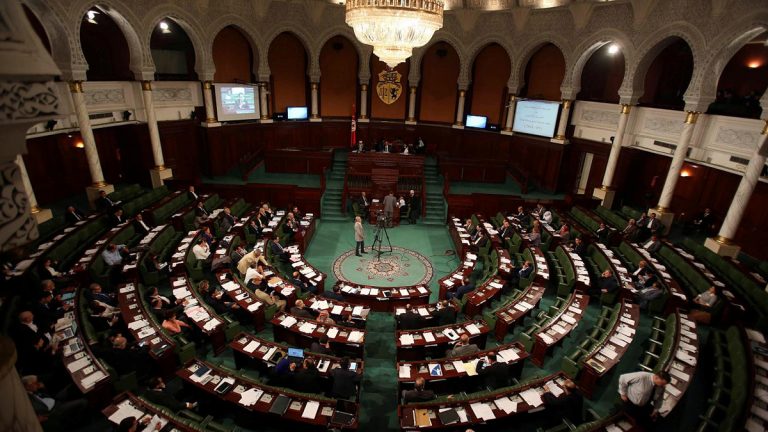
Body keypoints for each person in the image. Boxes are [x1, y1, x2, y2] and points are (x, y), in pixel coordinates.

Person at [23, 375, 89, 427]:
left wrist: (42, 389)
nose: (37, 384)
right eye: (35, 383)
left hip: (55, 399)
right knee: (83, 402)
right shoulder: (30, 399)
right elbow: (40, 411)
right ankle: (75, 423)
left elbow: (44, 397)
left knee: (72, 385)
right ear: (28, 386)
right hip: (56, 409)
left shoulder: (33, 392)